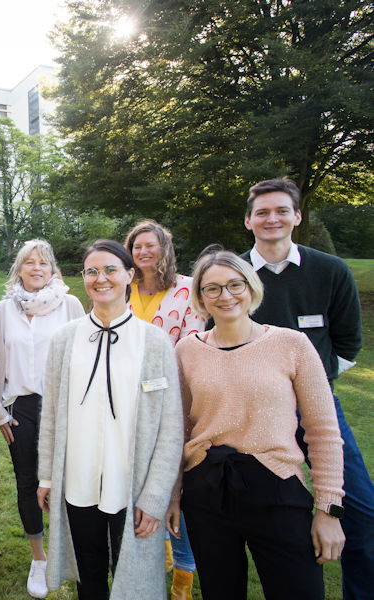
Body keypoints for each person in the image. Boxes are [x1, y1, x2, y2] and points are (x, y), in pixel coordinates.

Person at [171, 248, 345, 599]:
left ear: (251, 288)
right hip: (207, 490)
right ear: (201, 298)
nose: (226, 296)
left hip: (277, 488)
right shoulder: (187, 351)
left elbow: (323, 432)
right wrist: (174, 494)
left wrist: (329, 510)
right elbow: (180, 430)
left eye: (235, 284)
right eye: (213, 288)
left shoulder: (291, 344)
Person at [239, 177, 371, 600]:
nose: (271, 218)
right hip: (253, 414)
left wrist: (309, 386)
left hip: (316, 409)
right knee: (264, 508)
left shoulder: (330, 271)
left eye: (281, 210)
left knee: (362, 512)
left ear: (297, 216)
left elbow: (348, 344)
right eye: (262, 212)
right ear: (248, 221)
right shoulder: (233, 275)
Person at [36, 240, 182, 600]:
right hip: (78, 478)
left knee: (132, 576)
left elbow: (170, 427)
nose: (101, 279)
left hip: (130, 484)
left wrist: (155, 495)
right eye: (92, 271)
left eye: (111, 269)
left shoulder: (154, 342)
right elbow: (51, 414)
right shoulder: (64, 340)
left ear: (131, 275)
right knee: (89, 568)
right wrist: (47, 476)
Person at [0, 238, 84, 599]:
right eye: (30, 263)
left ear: (53, 269)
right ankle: (39, 558)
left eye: (43, 263)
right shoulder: (2, 310)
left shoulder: (70, 305)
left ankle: (69, 551)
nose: (37, 268)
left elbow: (84, 356)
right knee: (28, 482)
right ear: (19, 269)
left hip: (62, 408)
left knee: (67, 481)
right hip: (19, 411)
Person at [124, 219, 203, 599]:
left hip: (173, 401)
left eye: (150, 245)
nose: (143, 252)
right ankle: (154, 552)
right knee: (140, 479)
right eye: (137, 246)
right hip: (126, 403)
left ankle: (184, 575)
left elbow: (193, 345)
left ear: (164, 249)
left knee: (176, 484)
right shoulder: (122, 288)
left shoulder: (186, 289)